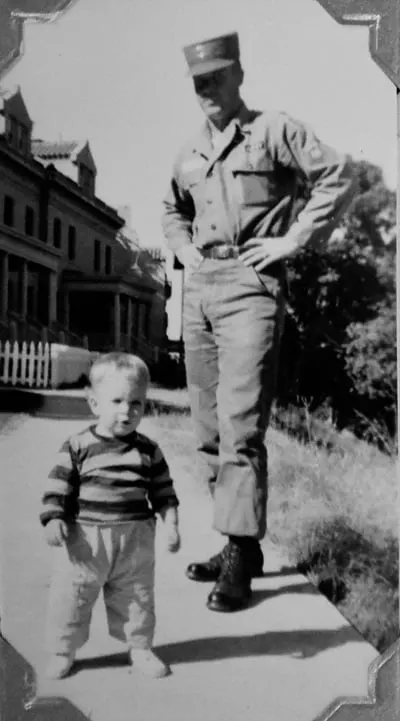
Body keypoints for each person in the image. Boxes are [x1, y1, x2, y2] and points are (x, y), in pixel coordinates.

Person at [161, 32, 355, 613]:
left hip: (251, 288)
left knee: (241, 423)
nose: (207, 88)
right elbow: (173, 209)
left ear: (239, 75)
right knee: (207, 429)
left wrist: (294, 238)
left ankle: (241, 551)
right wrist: (184, 251)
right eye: (199, 81)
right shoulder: (189, 151)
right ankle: (234, 542)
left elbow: (338, 175)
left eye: (217, 76)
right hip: (201, 291)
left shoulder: (274, 130)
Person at [40, 352, 180, 679]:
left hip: (134, 539)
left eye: (136, 403)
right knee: (72, 595)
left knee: (137, 596)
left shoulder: (148, 450)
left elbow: (164, 492)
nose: (126, 411)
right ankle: (63, 649)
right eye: (116, 401)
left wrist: (171, 524)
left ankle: (140, 648)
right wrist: (54, 518)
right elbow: (58, 486)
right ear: (94, 403)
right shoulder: (77, 445)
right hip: (85, 540)